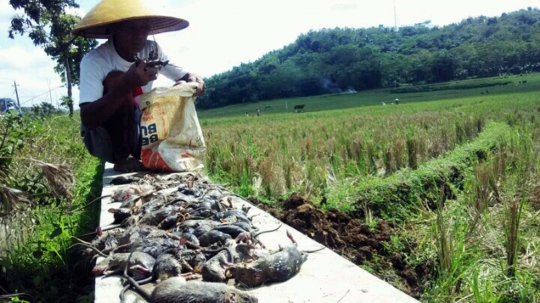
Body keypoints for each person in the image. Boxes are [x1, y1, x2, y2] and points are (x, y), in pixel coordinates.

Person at [72, 0, 205, 173]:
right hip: (104, 138)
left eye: (144, 27)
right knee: (116, 79)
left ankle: (167, 149)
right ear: (114, 29)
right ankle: (123, 157)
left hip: (141, 128)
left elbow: (184, 74)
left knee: (176, 90)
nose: (139, 35)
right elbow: (88, 119)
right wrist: (127, 84)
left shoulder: (151, 50)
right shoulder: (96, 61)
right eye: (130, 28)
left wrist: (193, 80)